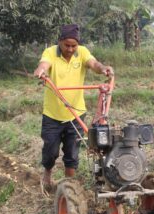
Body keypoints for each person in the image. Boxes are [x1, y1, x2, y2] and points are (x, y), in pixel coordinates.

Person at [34, 24, 114, 192]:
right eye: (67, 45)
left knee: (72, 152)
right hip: (52, 115)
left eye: (73, 46)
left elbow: (94, 64)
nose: (70, 49)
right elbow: (44, 64)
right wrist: (41, 71)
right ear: (60, 42)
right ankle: (47, 173)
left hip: (76, 113)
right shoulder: (50, 52)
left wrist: (103, 69)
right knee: (50, 151)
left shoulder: (82, 52)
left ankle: (69, 186)